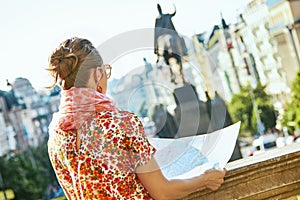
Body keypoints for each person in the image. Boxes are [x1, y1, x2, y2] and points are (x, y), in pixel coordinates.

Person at [47, 37, 226, 200]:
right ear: (96, 74)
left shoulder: (56, 136)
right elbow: (163, 192)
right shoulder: (121, 124)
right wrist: (205, 180)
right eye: (105, 72)